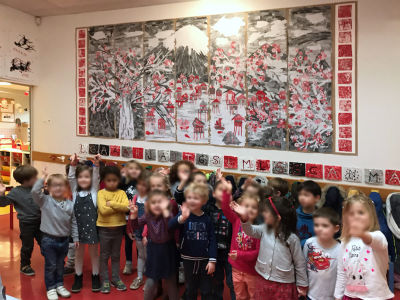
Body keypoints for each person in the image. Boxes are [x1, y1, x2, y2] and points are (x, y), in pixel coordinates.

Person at [232, 195, 308, 300]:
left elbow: (300, 263)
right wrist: (244, 218)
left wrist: (302, 285)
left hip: (283, 284)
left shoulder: (292, 238)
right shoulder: (264, 229)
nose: (263, 214)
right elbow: (250, 231)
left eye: (266, 212)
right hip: (262, 279)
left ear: (278, 217)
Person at [334, 194, 394, 300]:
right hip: (351, 295)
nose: (356, 216)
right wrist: (338, 296)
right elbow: (342, 272)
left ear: (371, 216)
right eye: (351, 214)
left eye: (360, 213)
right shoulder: (344, 242)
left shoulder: (378, 236)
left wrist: (362, 234)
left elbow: (374, 240)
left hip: (375, 296)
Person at [32, 168, 76, 300]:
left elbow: (73, 222)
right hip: (48, 240)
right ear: (48, 187)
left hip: (64, 240)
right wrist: (43, 177)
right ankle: (50, 288)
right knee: (51, 265)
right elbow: (34, 191)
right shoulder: (45, 201)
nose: (58, 188)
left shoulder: (70, 204)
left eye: (61, 185)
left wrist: (76, 238)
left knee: (60, 264)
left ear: (66, 188)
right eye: (54, 185)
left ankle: (59, 284)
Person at [169, 183, 217, 300]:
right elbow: (170, 226)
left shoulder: (207, 219)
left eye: (196, 198)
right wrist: (182, 218)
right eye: (189, 198)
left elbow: (212, 239)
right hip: (188, 258)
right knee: (190, 288)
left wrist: (212, 260)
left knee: (206, 290)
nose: (192, 201)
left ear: (204, 201)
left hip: (204, 259)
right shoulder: (184, 215)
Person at [129, 190, 179, 300]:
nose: (156, 205)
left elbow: (170, 226)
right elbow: (136, 225)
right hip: (154, 251)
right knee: (151, 281)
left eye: (159, 202)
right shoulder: (148, 215)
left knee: (170, 282)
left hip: (167, 251)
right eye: (153, 202)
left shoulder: (168, 215)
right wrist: (134, 216)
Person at [221, 179, 260, 300]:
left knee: (253, 297)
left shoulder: (259, 229)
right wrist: (227, 191)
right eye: (246, 206)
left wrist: (239, 255)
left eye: (253, 207)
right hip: (236, 268)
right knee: (240, 296)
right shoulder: (236, 220)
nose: (249, 210)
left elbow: (257, 253)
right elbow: (225, 208)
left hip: (252, 272)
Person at [68, 154, 101, 293]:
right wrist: (73, 164)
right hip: (77, 229)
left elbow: (96, 178)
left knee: (94, 253)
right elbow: (71, 178)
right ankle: (78, 276)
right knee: (79, 254)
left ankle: (95, 276)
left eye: (86, 177)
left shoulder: (93, 192)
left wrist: (96, 165)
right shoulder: (75, 192)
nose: (83, 179)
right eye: (80, 177)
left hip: (92, 229)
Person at [0, 165, 41, 276]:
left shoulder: (36, 189)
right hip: (26, 224)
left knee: (45, 243)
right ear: (26, 181)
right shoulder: (16, 192)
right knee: (28, 246)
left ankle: (53, 261)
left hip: (41, 222)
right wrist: (1, 193)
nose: (37, 179)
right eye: (35, 177)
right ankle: (25, 265)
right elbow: (2, 203)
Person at [97, 165, 130, 293]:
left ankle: (115, 278)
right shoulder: (101, 193)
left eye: (114, 180)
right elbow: (103, 210)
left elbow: (126, 207)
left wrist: (112, 204)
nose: (112, 183)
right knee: (104, 256)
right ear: (104, 180)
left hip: (118, 229)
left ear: (119, 180)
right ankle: (105, 279)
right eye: (109, 180)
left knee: (116, 255)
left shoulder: (121, 193)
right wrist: (118, 207)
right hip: (104, 229)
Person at [203, 180, 235, 300]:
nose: (224, 193)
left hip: (230, 252)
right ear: (214, 194)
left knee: (232, 282)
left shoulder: (233, 210)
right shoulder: (208, 209)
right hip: (214, 252)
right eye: (221, 190)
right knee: (216, 280)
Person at [303, 207, 341, 300]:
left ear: (336, 228)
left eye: (324, 226)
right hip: (310, 295)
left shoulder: (341, 249)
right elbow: (303, 267)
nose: (319, 229)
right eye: (316, 225)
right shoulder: (309, 243)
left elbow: (342, 276)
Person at [126, 171, 150, 290]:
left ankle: (150, 280)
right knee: (141, 255)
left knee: (148, 255)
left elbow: (150, 218)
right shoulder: (135, 197)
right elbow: (132, 214)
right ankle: (140, 277)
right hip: (137, 229)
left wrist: (145, 234)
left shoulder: (150, 199)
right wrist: (130, 229)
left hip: (148, 232)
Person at [119, 160, 144, 275]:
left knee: (139, 241)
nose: (133, 171)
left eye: (136, 168)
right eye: (131, 168)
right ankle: (128, 263)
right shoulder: (124, 182)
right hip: (127, 216)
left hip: (139, 217)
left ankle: (142, 262)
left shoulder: (142, 182)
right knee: (128, 241)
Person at [296, 180, 321, 247]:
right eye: (300, 194)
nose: (302, 198)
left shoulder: (322, 217)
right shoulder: (293, 215)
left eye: (306, 195)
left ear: (317, 198)